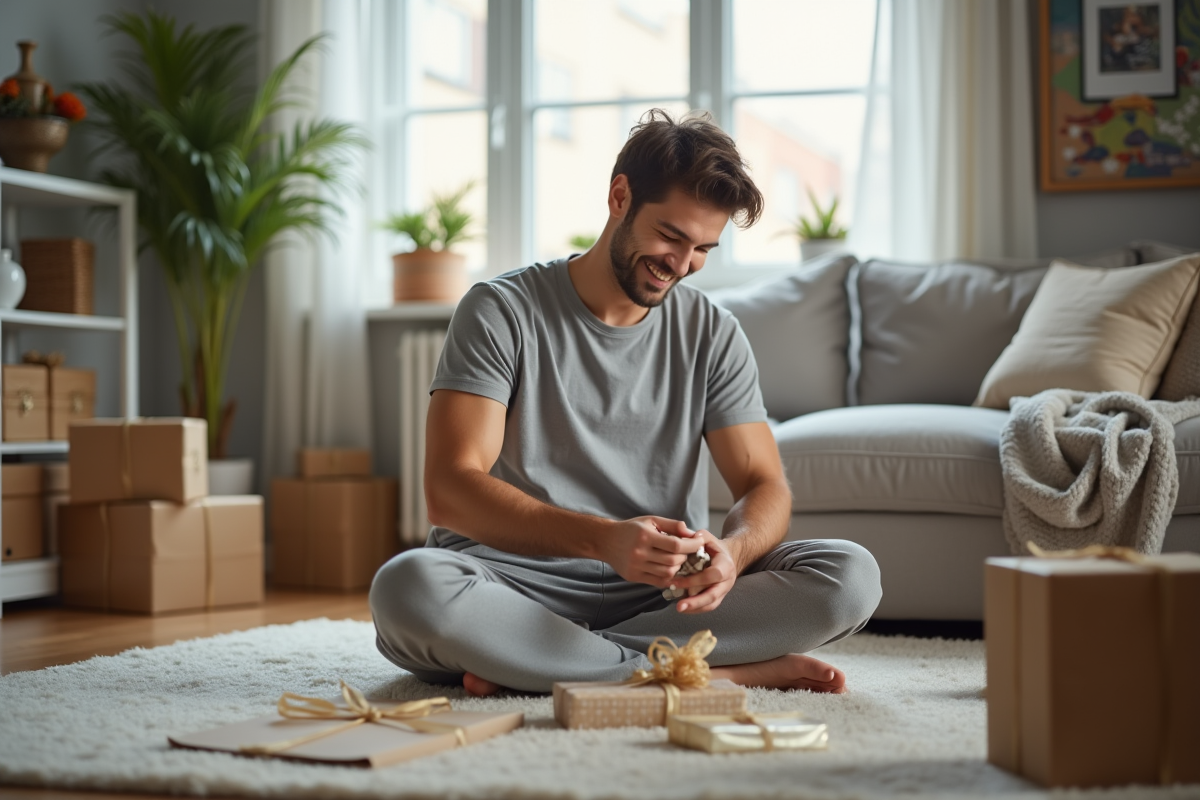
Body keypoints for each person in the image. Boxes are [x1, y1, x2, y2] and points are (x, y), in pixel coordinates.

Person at [370, 109, 882, 697]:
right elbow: (450, 488)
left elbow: (764, 482)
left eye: (703, 249)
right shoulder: (501, 310)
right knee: (408, 587)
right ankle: (706, 673)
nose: (682, 265)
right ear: (620, 197)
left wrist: (734, 555)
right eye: (670, 236)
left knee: (848, 574)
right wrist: (604, 539)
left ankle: (552, 665)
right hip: (510, 584)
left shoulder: (713, 332)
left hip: (659, 597)